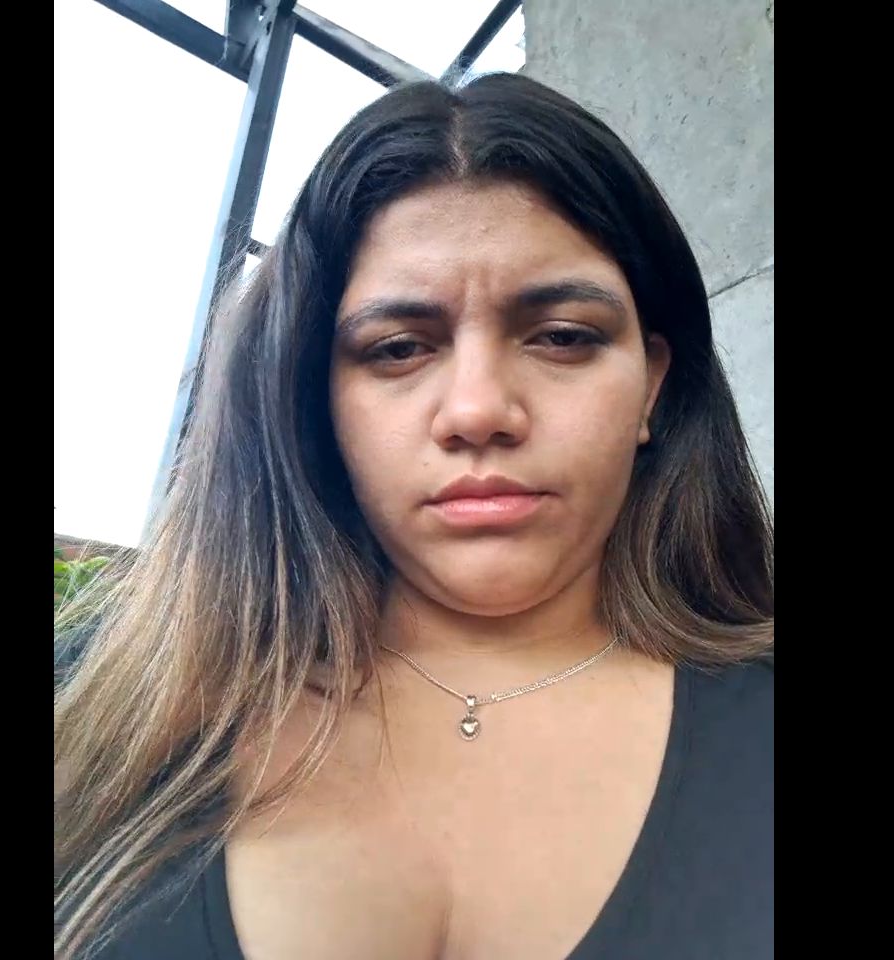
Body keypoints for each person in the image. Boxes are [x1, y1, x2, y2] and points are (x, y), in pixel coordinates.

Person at [55, 72, 773, 960]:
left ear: (652, 386)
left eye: (562, 337)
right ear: (313, 396)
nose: (477, 410)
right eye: (397, 349)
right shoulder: (94, 710)